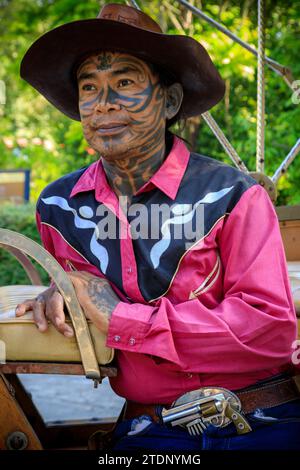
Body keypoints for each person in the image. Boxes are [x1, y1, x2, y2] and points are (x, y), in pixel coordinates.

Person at [17, 3, 300, 451]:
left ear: (168, 100)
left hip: (260, 421)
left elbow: (268, 332)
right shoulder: (59, 208)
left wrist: (119, 315)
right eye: (89, 87)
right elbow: (83, 306)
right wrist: (63, 298)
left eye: (124, 82)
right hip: (148, 432)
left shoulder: (233, 195)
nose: (103, 102)